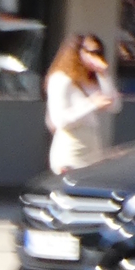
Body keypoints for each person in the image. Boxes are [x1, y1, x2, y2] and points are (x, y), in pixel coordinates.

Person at [45, 32, 120, 175]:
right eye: (90, 51)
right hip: (71, 151)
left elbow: (115, 105)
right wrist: (91, 104)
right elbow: (59, 121)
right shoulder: (60, 79)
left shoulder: (88, 81)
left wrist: (104, 75)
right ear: (77, 51)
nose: (94, 56)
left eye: (98, 52)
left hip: (92, 149)